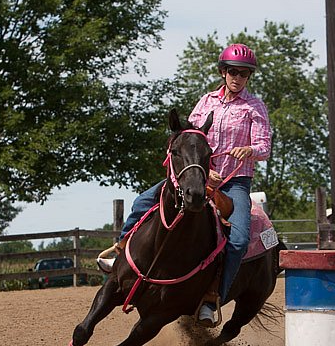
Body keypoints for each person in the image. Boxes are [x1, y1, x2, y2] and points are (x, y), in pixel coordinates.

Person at [98, 43, 271, 325]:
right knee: (142, 201)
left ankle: (211, 299)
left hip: (234, 183)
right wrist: (203, 171)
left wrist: (250, 150)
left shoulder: (255, 107)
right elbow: (192, 135)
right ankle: (119, 253)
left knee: (238, 240)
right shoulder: (206, 102)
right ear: (222, 72)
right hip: (197, 175)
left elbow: (264, 146)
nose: (238, 78)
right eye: (233, 72)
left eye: (244, 73)